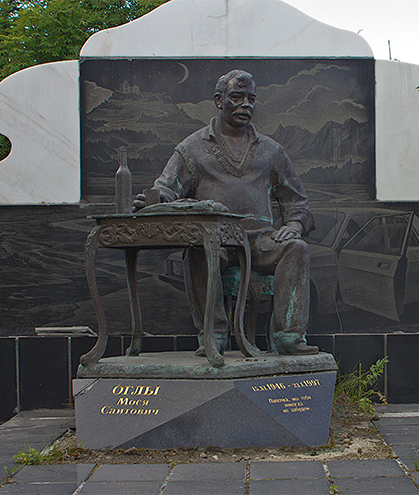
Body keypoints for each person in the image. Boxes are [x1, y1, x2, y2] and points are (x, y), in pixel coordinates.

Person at [134, 69, 317, 355]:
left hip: (260, 241)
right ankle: (214, 335)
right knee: (199, 249)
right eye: (237, 97)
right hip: (216, 238)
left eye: (251, 99)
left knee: (297, 249)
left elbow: (297, 202)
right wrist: (152, 201)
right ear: (219, 101)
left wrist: (294, 224)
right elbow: (167, 187)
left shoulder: (271, 151)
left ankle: (288, 337)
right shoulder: (192, 149)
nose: (246, 104)